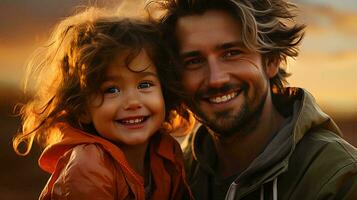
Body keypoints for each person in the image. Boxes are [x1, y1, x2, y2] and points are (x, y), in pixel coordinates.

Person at [150, 0, 357, 199]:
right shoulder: (173, 174)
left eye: (231, 53)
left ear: (272, 60)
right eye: (194, 61)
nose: (216, 79)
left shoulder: (339, 177)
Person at [13, 7, 193, 200]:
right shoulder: (88, 165)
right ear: (82, 109)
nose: (132, 102)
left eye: (145, 84)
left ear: (165, 91)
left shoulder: (166, 152)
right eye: (111, 90)